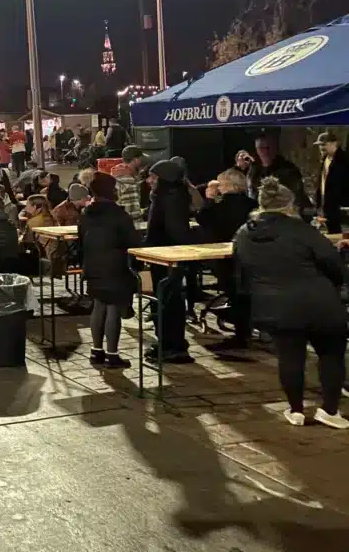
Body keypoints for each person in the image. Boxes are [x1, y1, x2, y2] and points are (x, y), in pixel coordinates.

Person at [234, 178, 348, 428]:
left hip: (275, 306)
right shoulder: (303, 230)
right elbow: (333, 265)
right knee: (331, 354)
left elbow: (241, 270)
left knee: (290, 357)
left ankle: (296, 410)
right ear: (290, 205)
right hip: (320, 303)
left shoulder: (243, 234)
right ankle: (330, 411)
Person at [78, 174, 140, 369]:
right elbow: (133, 243)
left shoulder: (86, 214)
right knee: (113, 307)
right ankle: (113, 355)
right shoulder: (119, 215)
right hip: (115, 267)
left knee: (98, 305)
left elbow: (80, 240)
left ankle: (96, 351)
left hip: (93, 265)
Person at [197, 168, 257, 351]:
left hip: (225, 257)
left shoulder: (220, 206)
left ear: (229, 185)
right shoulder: (253, 204)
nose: (218, 188)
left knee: (234, 293)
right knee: (247, 294)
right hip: (250, 255)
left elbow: (203, 219)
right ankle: (246, 331)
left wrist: (208, 198)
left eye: (220, 184)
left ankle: (240, 336)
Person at [144, 159, 193, 364]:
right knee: (169, 300)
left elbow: (170, 229)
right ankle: (169, 342)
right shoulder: (172, 195)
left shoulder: (168, 198)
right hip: (165, 257)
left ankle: (171, 345)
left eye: (154, 177)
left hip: (166, 257)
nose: (150, 181)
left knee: (168, 300)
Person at [249, 133, 310, 212]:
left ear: (275, 148)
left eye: (268, 147)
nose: (265, 151)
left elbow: (298, 196)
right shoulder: (254, 170)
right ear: (257, 149)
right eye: (261, 148)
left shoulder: (288, 169)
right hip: (261, 214)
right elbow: (252, 192)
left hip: (284, 212)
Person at [315, 132, 349, 233]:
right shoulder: (325, 160)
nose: (321, 147)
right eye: (320, 145)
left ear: (334, 144)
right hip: (327, 209)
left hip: (341, 210)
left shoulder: (344, 160)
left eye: (324, 144)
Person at [113, 146, 145, 220]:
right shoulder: (127, 180)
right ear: (135, 160)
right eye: (140, 159)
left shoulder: (120, 173)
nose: (141, 161)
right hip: (129, 224)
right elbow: (132, 210)